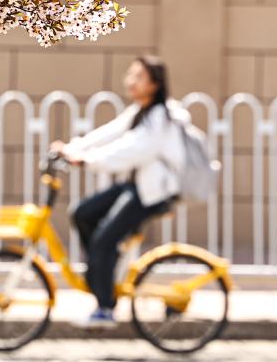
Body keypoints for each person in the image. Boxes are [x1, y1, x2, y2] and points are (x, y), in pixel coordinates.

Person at [49, 55, 188, 329]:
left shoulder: (160, 117)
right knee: (82, 213)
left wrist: (86, 160)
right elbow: (109, 133)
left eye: (139, 77)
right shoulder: (140, 111)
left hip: (154, 194)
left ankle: (105, 307)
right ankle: (104, 271)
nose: (131, 81)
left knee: (103, 240)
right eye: (131, 75)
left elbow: (132, 150)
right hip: (137, 187)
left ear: (155, 84)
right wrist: (72, 148)